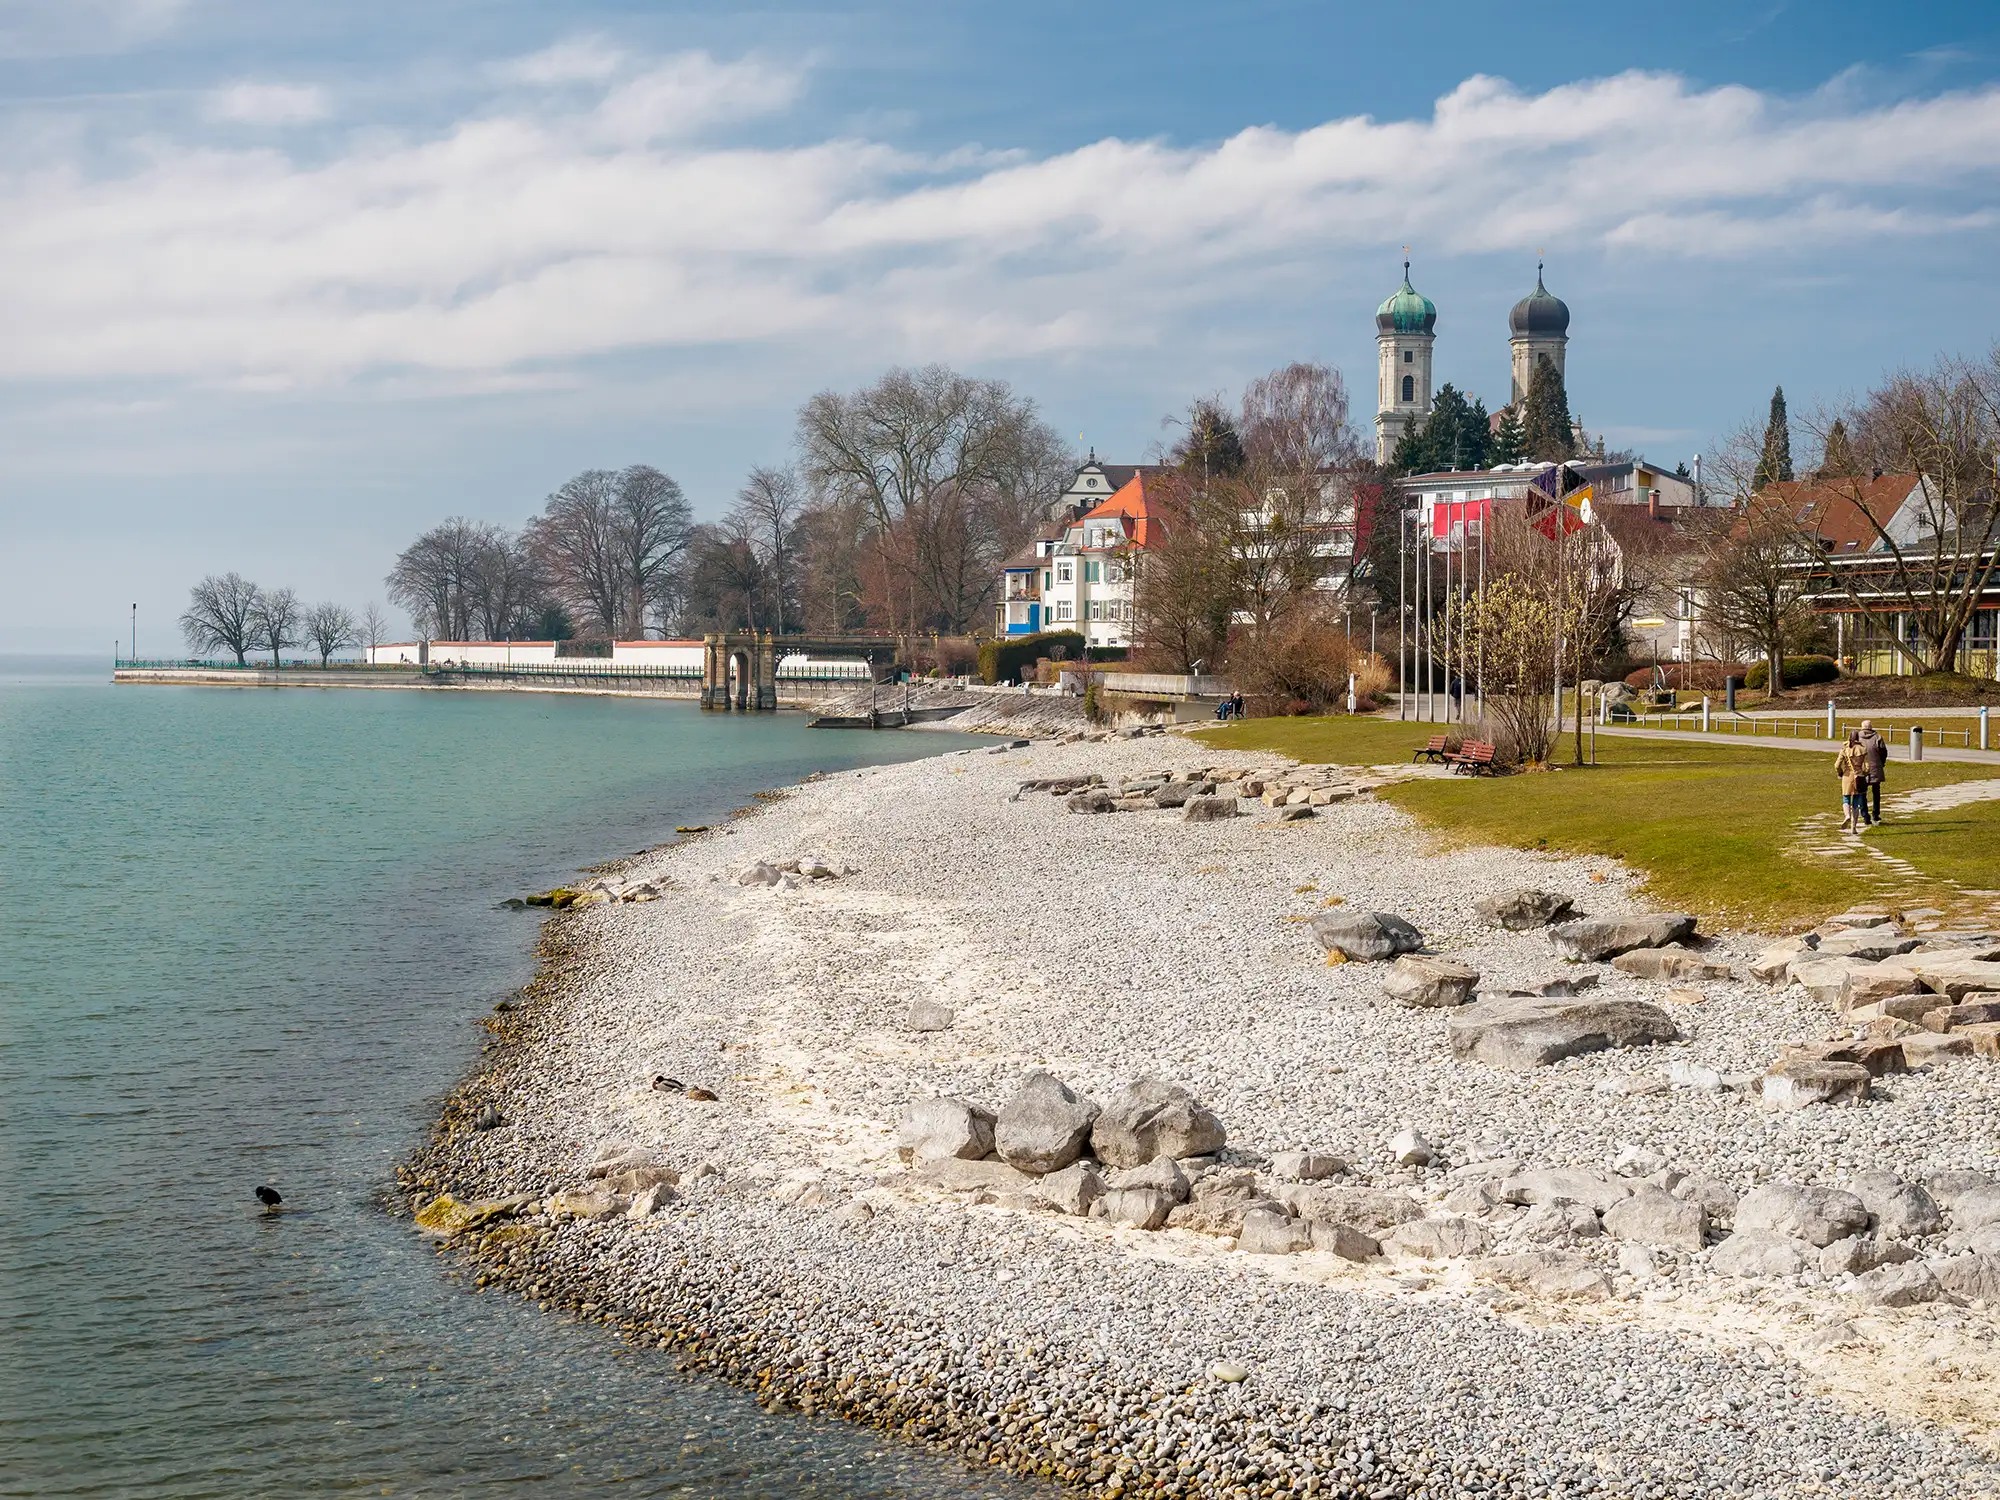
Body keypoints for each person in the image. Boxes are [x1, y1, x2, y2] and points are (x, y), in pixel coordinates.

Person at [1835, 729, 1868, 832]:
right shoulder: (1863, 749)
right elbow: (1867, 766)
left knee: (1846, 799)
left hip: (1847, 776)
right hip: (1859, 776)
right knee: (1856, 803)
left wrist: (1840, 773)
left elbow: (1837, 765)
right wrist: (1864, 773)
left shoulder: (1844, 749)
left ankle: (1847, 815)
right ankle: (1854, 827)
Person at [1857, 718, 1887, 825]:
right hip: (1875, 767)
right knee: (1876, 792)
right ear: (1871, 727)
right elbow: (1883, 752)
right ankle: (1875, 814)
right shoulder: (1877, 737)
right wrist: (1881, 763)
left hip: (1861, 769)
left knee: (1861, 793)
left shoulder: (1857, 737)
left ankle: (1865, 815)